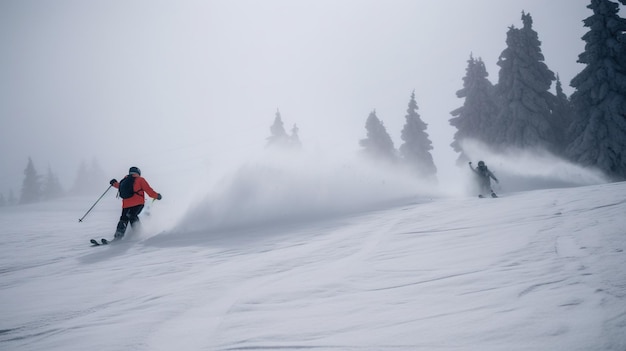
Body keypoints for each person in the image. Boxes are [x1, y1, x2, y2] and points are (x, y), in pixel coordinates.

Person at [109, 166, 162, 239]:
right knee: (132, 216)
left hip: (126, 205)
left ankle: (118, 235)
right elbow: (149, 191)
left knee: (123, 219)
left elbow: (119, 186)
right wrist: (157, 196)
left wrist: (114, 183)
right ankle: (138, 233)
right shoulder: (140, 180)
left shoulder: (125, 180)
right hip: (138, 203)